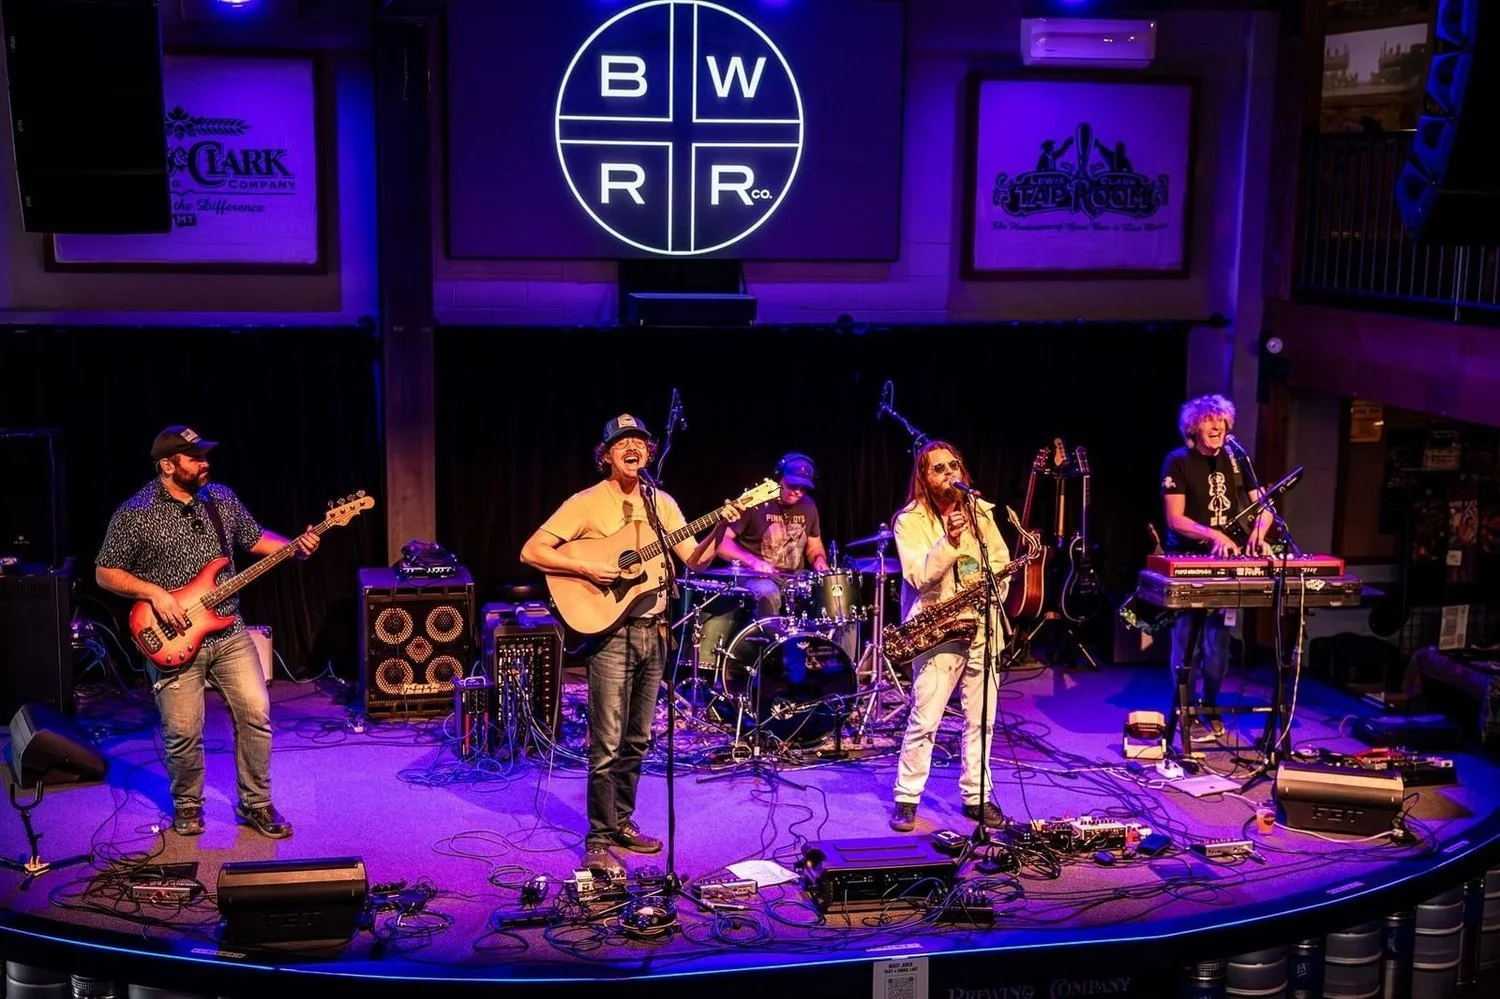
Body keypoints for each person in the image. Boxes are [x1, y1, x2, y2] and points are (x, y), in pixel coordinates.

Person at [520, 414, 740, 875]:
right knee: (607, 741)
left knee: (638, 739)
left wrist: (720, 527)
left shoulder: (661, 503)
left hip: (656, 631)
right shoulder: (585, 503)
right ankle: (598, 838)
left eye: (639, 440)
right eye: (622, 443)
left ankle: (621, 822)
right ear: (606, 455)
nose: (632, 447)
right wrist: (587, 568)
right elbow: (532, 551)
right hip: (612, 633)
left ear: (649, 452)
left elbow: (695, 560)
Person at [95, 426, 319, 840]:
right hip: (172, 636)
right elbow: (105, 572)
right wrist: (154, 593)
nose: (204, 464)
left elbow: (255, 539)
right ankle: (187, 804)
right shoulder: (135, 512)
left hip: (229, 631)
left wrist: (295, 547)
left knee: (256, 714)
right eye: (194, 458)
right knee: (182, 731)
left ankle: (256, 802)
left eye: (204, 456)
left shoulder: (221, 499)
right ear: (167, 465)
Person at [889, 441, 1011, 833]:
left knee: (981, 720)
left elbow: (1001, 562)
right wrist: (950, 543)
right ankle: (907, 797)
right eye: (938, 468)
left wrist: (991, 592)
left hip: (982, 623)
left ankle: (977, 796)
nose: (948, 473)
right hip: (938, 627)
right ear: (924, 477)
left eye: (953, 466)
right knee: (926, 718)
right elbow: (918, 576)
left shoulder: (980, 511)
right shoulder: (909, 521)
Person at [1160, 394, 1273, 744]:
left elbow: (1265, 508)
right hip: (1190, 562)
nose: (1217, 427)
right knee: (1187, 645)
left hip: (1228, 564)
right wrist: (1213, 534)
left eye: (1221, 421)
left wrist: (1259, 532)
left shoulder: (1237, 458)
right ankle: (1185, 709)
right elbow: (1175, 519)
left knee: (1218, 647)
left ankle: (1209, 704)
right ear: (1194, 427)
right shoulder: (1178, 461)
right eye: (1209, 420)